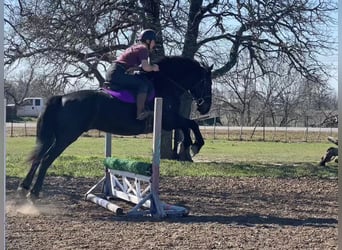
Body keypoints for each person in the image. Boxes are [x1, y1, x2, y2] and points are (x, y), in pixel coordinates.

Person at [105, 29, 160, 120]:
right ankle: (140, 113)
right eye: (153, 41)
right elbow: (146, 67)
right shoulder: (143, 49)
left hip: (113, 71)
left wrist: (137, 68)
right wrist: (153, 67)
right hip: (117, 73)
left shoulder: (135, 47)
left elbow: (134, 66)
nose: (154, 45)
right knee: (143, 84)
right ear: (148, 41)